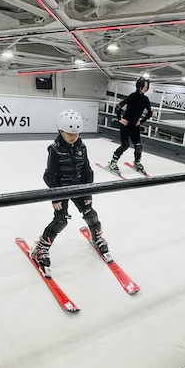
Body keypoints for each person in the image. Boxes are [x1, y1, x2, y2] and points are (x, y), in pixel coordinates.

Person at [30, 109, 111, 278]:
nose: (73, 136)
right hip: (61, 188)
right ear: (60, 131)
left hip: (79, 186)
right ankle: (41, 247)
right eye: (69, 133)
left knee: (91, 214)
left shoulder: (82, 147)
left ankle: (96, 237)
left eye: (76, 133)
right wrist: (56, 197)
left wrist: (88, 193)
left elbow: (87, 170)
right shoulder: (54, 149)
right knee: (61, 220)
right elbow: (50, 175)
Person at [108, 77, 153, 175]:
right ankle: (113, 162)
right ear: (139, 86)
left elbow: (149, 113)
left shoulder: (145, 99)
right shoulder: (133, 96)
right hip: (126, 125)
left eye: (147, 87)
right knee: (125, 145)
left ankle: (137, 162)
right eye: (144, 86)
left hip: (135, 126)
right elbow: (119, 106)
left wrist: (141, 121)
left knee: (138, 146)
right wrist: (120, 119)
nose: (145, 88)